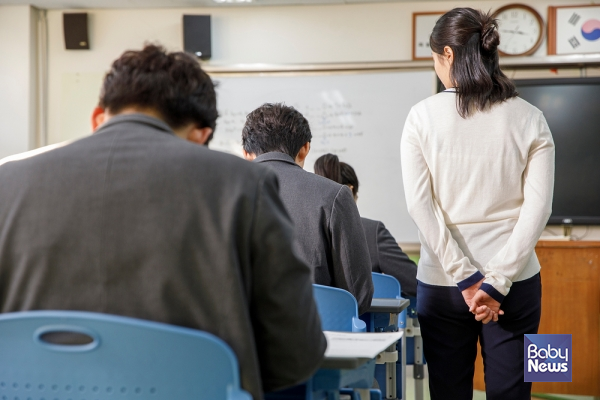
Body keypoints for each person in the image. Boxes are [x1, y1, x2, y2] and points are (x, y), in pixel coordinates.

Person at [0, 45, 326, 400]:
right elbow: (295, 353)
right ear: (201, 135)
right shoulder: (243, 184)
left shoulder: (8, 182)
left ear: (98, 118)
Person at [400, 8, 554, 400]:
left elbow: (420, 205)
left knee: (448, 392)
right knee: (515, 392)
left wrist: (468, 281)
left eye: (436, 59)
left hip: (443, 284)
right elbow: (539, 210)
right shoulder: (531, 118)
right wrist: (497, 281)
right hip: (517, 285)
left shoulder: (420, 117)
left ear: (448, 55)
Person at [241, 103, 374, 315]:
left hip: (236, 343)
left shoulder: (214, 194)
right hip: (319, 338)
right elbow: (358, 296)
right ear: (304, 149)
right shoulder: (334, 195)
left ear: (247, 153)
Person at [314, 153, 417, 298]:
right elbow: (414, 283)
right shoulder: (372, 232)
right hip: (367, 320)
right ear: (349, 192)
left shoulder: (301, 232)